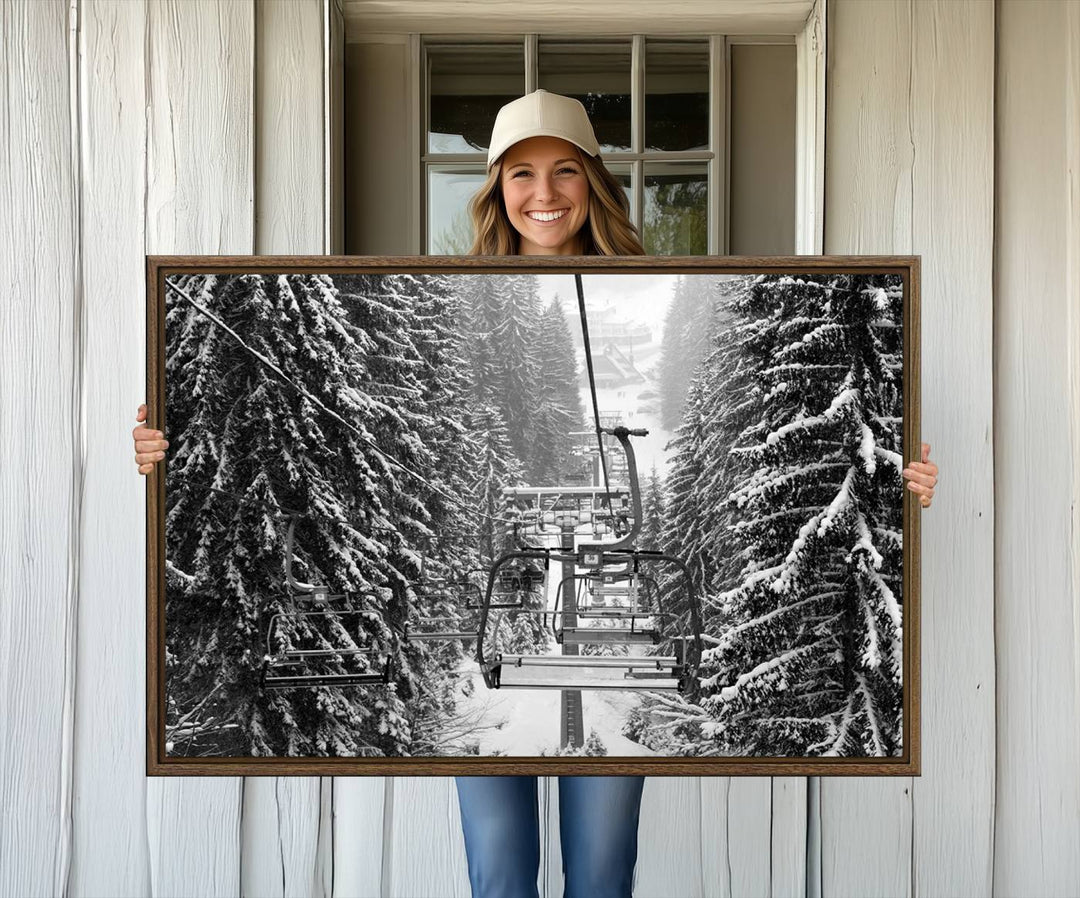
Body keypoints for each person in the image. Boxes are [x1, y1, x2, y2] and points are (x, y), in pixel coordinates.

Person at [131, 89, 940, 898]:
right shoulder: (457, 302)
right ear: (496, 189)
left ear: (593, 182)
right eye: (521, 174)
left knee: (600, 872)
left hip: (588, 642)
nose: (544, 193)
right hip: (514, 631)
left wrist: (896, 482)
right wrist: (167, 448)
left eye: (564, 172)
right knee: (499, 873)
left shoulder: (665, 285)